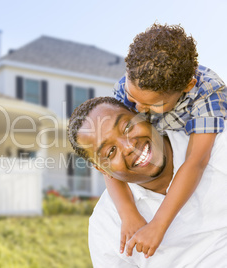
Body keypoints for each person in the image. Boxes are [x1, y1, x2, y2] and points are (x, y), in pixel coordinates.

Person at [108, 23, 227, 257]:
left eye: (153, 105)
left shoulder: (208, 92)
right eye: (133, 97)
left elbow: (196, 161)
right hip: (155, 150)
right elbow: (106, 153)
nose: (139, 108)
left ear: (187, 86)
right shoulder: (125, 87)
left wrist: (158, 225)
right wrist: (128, 211)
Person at [68, 97, 227, 267]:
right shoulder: (106, 225)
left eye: (127, 127)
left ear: (142, 115)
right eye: (111, 151)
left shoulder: (217, 144)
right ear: (102, 169)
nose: (129, 146)